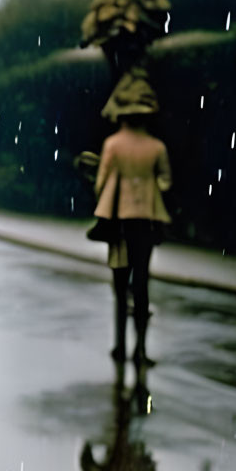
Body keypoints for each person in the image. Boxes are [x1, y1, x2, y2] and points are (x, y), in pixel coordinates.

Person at [91, 69, 171, 365]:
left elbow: (101, 183)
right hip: (147, 220)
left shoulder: (113, 144)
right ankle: (141, 350)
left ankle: (120, 346)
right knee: (142, 285)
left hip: (118, 222)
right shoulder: (157, 146)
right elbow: (165, 181)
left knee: (120, 285)